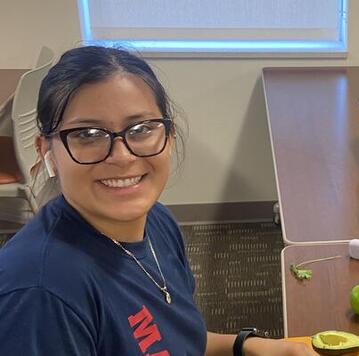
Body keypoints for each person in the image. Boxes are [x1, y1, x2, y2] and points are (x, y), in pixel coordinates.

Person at [0, 46, 317, 356]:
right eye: (88, 134)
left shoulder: (158, 222)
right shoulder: (39, 298)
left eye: (141, 129)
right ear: (46, 150)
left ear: (169, 136)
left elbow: (177, 341)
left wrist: (248, 345)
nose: (122, 157)